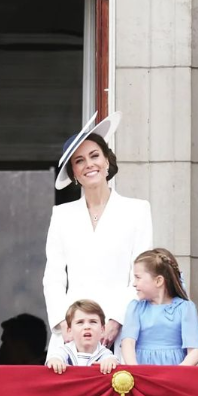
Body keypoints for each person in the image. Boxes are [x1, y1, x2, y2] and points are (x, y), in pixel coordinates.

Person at [43, 112, 153, 357]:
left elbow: (141, 273)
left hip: (122, 331)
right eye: (79, 161)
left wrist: (116, 319)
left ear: (107, 162)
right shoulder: (62, 215)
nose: (89, 164)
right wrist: (64, 322)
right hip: (71, 331)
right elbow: (53, 277)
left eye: (94, 156)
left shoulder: (137, 210)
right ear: (73, 172)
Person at [120, 249, 198, 366]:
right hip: (143, 373)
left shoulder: (185, 308)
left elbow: (194, 351)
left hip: (174, 374)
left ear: (158, 281)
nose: (134, 283)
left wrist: (174, 374)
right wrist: (135, 371)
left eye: (138, 277)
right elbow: (128, 343)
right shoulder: (135, 308)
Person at [46, 300, 118, 374]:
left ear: (102, 329)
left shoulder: (104, 353)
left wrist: (110, 362)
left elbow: (112, 360)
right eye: (80, 322)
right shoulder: (65, 351)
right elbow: (54, 358)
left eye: (93, 322)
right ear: (69, 330)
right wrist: (55, 361)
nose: (87, 327)